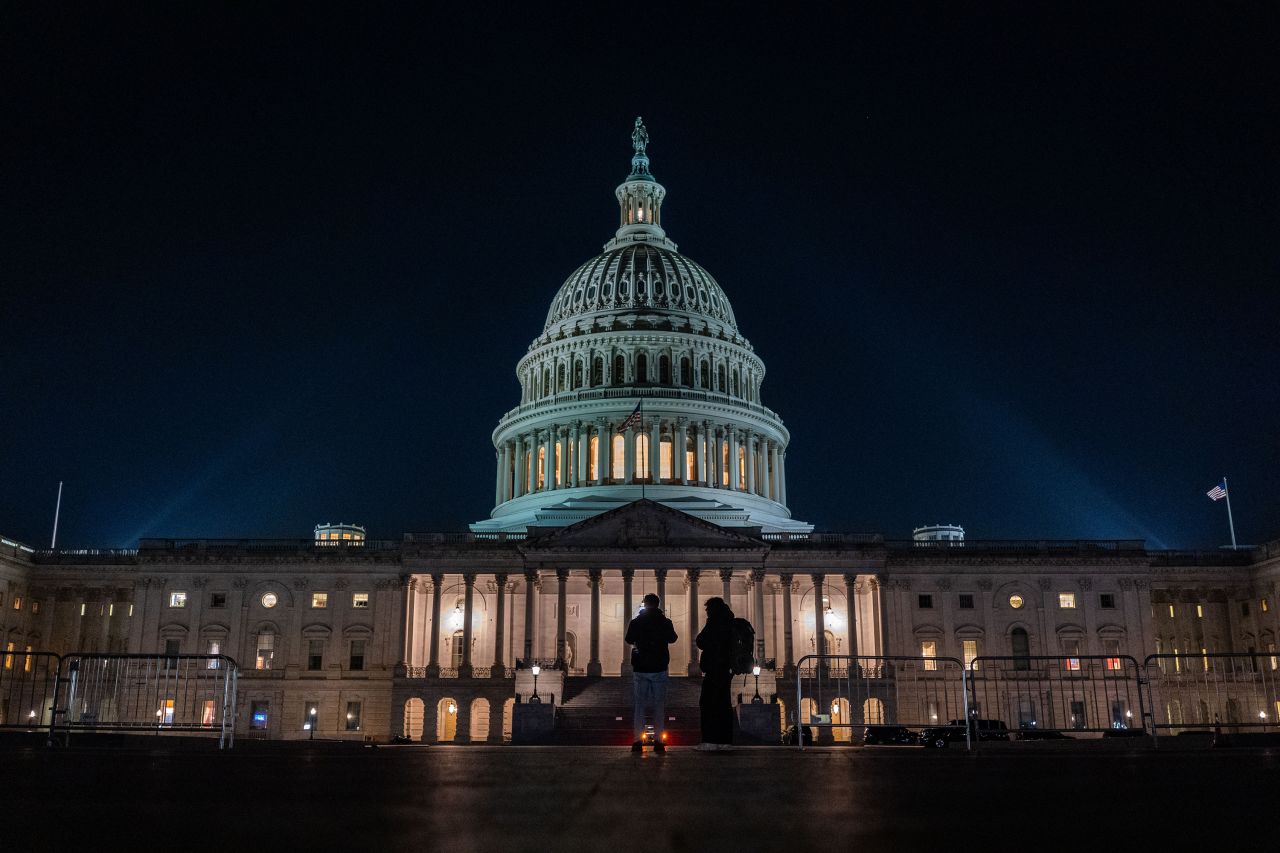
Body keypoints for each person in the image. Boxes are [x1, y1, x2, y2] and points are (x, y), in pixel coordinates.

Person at [625, 592, 677, 753]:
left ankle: (637, 741)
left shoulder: (636, 622)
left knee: (639, 706)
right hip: (659, 667)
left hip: (641, 667)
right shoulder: (664, 621)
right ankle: (659, 742)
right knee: (659, 705)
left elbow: (628, 639)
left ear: (644, 604)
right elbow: (673, 638)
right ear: (657, 604)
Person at [695, 596, 736, 750]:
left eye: (707, 609)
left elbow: (701, 641)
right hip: (727, 669)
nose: (706, 612)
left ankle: (709, 741)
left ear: (712, 609)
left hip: (714, 667)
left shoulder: (714, 621)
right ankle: (726, 741)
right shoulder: (730, 621)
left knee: (708, 703)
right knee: (724, 704)